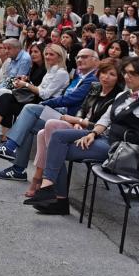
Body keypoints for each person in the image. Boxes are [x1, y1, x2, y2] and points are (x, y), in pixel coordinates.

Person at [26, 57, 139, 215]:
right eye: (125, 73)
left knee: (55, 148)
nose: (126, 76)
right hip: (103, 136)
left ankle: (56, 197)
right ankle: (50, 191)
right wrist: (93, 133)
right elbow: (106, 118)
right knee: (56, 137)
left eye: (132, 73)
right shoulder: (123, 95)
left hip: (119, 150)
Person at [0, 49, 100, 181]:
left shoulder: (92, 79)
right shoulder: (80, 77)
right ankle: (18, 169)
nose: (79, 59)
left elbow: (73, 99)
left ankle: (10, 147)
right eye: (78, 57)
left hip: (72, 119)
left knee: (29, 108)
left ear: (96, 60)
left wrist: (46, 103)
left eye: (84, 57)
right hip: (63, 114)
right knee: (28, 122)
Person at [25, 58, 121, 198]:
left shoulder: (117, 96)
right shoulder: (95, 87)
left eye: (112, 74)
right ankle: (45, 183)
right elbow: (82, 109)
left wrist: (79, 121)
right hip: (79, 127)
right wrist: (78, 121)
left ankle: (45, 183)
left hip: (95, 133)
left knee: (49, 130)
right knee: (42, 133)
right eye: (104, 72)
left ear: (119, 78)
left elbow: (104, 125)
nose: (106, 77)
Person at [0, 44, 68, 139]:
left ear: (59, 57)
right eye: (46, 54)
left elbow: (45, 94)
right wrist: (26, 82)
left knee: (6, 98)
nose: (47, 57)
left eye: (51, 54)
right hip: (37, 100)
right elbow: (39, 88)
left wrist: (25, 84)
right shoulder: (50, 70)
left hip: (47, 106)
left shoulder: (61, 73)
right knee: (6, 97)